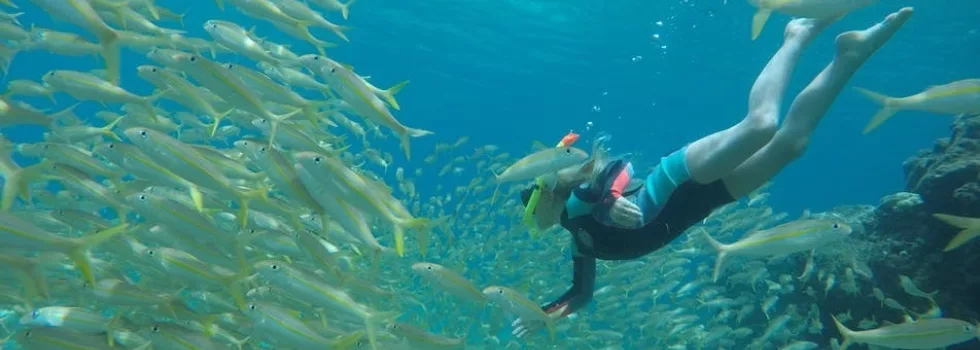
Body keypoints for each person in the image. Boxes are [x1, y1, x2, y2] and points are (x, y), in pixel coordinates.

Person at [511, 8, 915, 338]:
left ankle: (798, 33)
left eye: (528, 210)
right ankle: (850, 55)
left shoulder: (578, 205)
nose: (531, 221)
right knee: (792, 144)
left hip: (677, 178)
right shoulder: (578, 242)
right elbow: (581, 294)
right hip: (704, 201)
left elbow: (614, 169)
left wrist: (613, 200)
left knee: (762, 125)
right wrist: (546, 314)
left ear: (545, 195)